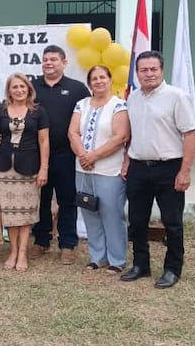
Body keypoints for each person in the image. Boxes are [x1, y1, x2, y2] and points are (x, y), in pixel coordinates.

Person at [120, 50, 195, 289]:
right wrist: (126, 161)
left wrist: (185, 171)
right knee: (137, 220)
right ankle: (141, 265)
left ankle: (173, 268)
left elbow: (190, 134)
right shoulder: (133, 98)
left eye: (153, 69)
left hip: (169, 168)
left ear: (161, 70)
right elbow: (131, 134)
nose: (149, 74)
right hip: (138, 169)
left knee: (172, 222)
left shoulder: (177, 97)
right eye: (144, 70)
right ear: (137, 72)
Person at [30, 45, 90, 264]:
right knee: (41, 200)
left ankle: (67, 244)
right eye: (45, 59)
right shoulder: (32, 87)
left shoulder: (78, 89)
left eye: (53, 59)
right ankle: (41, 241)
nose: (48, 63)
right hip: (37, 156)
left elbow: (87, 118)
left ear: (64, 63)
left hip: (67, 155)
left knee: (67, 200)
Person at [68, 65, 130, 274]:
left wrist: (94, 156)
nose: (99, 81)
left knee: (111, 214)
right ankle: (97, 257)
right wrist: (83, 156)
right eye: (94, 78)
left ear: (110, 80)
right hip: (83, 170)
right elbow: (73, 133)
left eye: (103, 77)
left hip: (109, 170)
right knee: (89, 212)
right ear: (89, 83)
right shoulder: (81, 105)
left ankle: (116, 259)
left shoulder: (118, 105)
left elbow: (120, 136)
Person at [0, 73, 49, 272]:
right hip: (5, 169)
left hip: (29, 168)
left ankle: (23, 252)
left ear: (28, 89)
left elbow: (44, 142)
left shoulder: (38, 111)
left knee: (26, 213)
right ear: (9, 90)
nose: (19, 90)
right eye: (15, 87)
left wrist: (43, 169)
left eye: (23, 86)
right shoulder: (1, 111)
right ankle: (12, 251)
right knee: (10, 214)